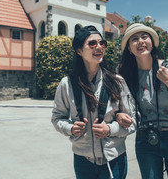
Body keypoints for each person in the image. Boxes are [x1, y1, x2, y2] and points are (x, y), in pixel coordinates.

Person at [116, 23, 168, 179]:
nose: (140, 41)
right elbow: (120, 107)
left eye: (144, 36)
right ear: (129, 48)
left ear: (152, 43)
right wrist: (119, 115)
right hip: (146, 139)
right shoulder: (127, 76)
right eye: (134, 39)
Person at [51, 25, 136, 179]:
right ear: (79, 51)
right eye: (92, 44)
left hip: (114, 160)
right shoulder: (66, 84)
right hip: (83, 161)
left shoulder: (117, 82)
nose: (99, 47)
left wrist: (110, 129)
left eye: (102, 43)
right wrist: (70, 127)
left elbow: (134, 121)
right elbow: (57, 118)